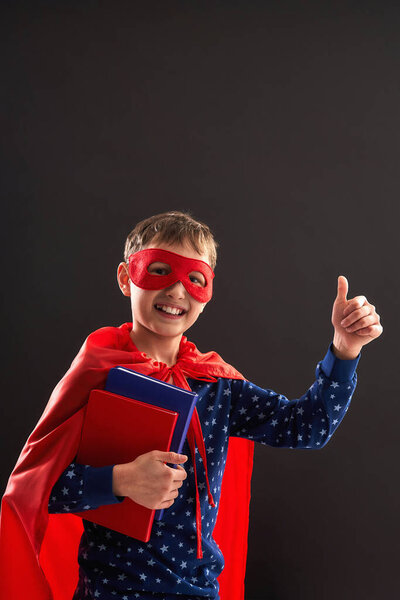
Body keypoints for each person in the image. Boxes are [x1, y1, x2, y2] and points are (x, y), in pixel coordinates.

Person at [0, 211, 383, 600]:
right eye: (159, 271)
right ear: (125, 278)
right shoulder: (97, 373)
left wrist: (344, 349)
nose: (177, 291)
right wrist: (118, 480)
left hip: (197, 591)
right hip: (108, 591)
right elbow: (38, 488)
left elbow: (306, 427)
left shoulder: (217, 384)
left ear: (207, 293)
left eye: (194, 279)